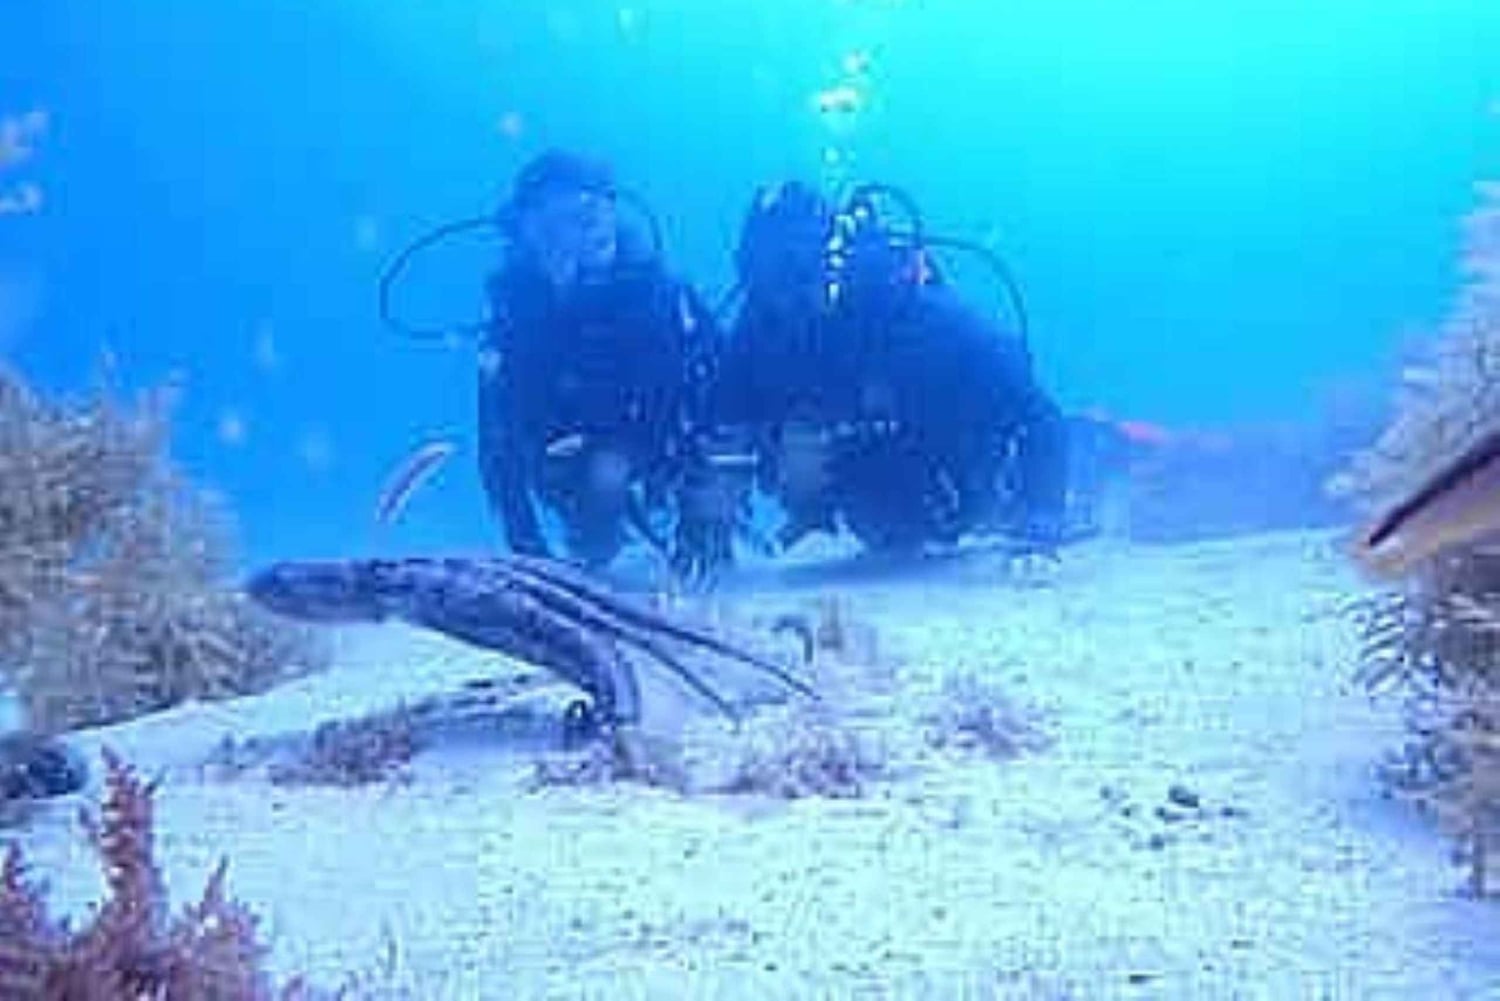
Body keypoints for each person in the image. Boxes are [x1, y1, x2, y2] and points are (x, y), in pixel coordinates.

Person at [713, 180, 1070, 557]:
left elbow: (1032, 406)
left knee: (998, 477)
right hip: (874, 496)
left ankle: (1096, 448)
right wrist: (708, 521)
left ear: (828, 259)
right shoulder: (758, 330)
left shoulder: (909, 309)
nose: (778, 297)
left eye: (791, 269)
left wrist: (1043, 509)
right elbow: (723, 432)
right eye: (759, 275)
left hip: (958, 467)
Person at [476, 150, 727, 575]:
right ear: (524, 238)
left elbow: (721, 402)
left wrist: (704, 513)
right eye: (549, 229)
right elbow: (497, 448)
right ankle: (598, 533)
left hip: (661, 448)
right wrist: (529, 552)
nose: (569, 242)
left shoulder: (661, 295)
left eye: (584, 219)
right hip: (568, 465)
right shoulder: (515, 321)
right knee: (597, 515)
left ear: (609, 220)